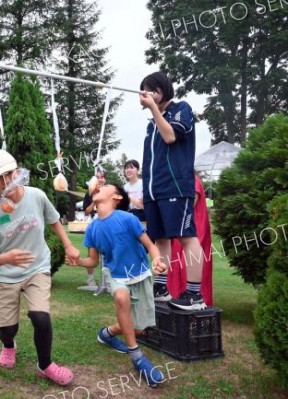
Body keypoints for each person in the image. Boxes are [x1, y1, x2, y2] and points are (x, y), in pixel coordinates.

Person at [0, 149, 79, 386]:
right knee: (7, 329)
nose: (5, 182)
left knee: (41, 318)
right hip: (2, 275)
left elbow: (53, 220)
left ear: (17, 172)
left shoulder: (36, 196)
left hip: (36, 268)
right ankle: (8, 345)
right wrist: (6, 257)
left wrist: (69, 245)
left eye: (9, 174)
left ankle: (45, 365)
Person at [66, 183, 167, 387]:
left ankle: (108, 333)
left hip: (140, 275)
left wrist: (157, 260)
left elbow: (150, 246)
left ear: (117, 197)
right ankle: (137, 357)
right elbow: (93, 261)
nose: (98, 187)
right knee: (122, 298)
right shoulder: (92, 227)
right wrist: (78, 263)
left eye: (105, 187)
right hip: (115, 275)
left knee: (137, 329)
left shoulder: (129, 219)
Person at [139, 71, 205, 311]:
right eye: (144, 89)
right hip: (154, 191)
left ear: (163, 90)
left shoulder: (181, 109)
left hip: (175, 186)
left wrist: (155, 109)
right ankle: (161, 287)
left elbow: (170, 137)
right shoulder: (151, 125)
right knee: (161, 239)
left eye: (152, 89)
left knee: (187, 238)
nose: (147, 94)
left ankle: (194, 294)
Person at [168, 173, 214, 306]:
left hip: (193, 230)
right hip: (182, 230)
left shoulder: (193, 180)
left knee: (188, 266)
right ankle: (177, 298)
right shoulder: (180, 180)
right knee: (177, 266)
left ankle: (194, 300)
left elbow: (188, 206)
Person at [79, 168, 106, 290]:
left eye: (102, 177)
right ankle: (90, 279)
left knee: (109, 252)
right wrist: (94, 202)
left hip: (107, 224)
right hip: (94, 224)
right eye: (98, 177)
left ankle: (107, 280)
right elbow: (87, 211)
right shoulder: (89, 193)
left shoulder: (109, 191)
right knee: (92, 252)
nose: (100, 179)